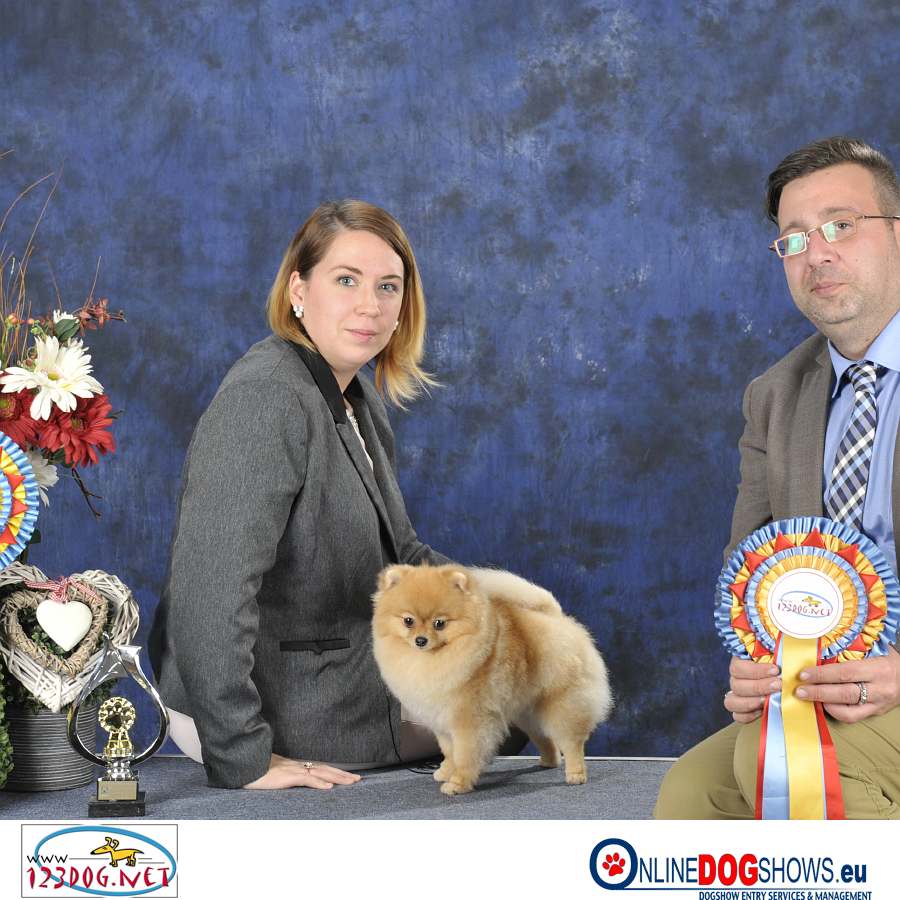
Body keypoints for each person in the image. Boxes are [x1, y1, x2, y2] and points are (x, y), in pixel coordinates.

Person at [149, 200, 452, 790]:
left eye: (388, 286)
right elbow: (209, 590)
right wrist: (243, 754)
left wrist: (509, 611)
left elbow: (406, 553)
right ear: (298, 291)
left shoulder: (355, 397)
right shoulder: (265, 398)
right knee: (497, 716)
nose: (370, 305)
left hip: (336, 674)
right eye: (346, 280)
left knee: (521, 685)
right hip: (260, 708)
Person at [654, 136, 900, 818]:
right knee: (691, 794)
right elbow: (750, 566)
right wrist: (756, 664)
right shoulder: (774, 394)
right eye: (793, 240)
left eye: (840, 225)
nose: (816, 253)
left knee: (788, 768)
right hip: (818, 687)